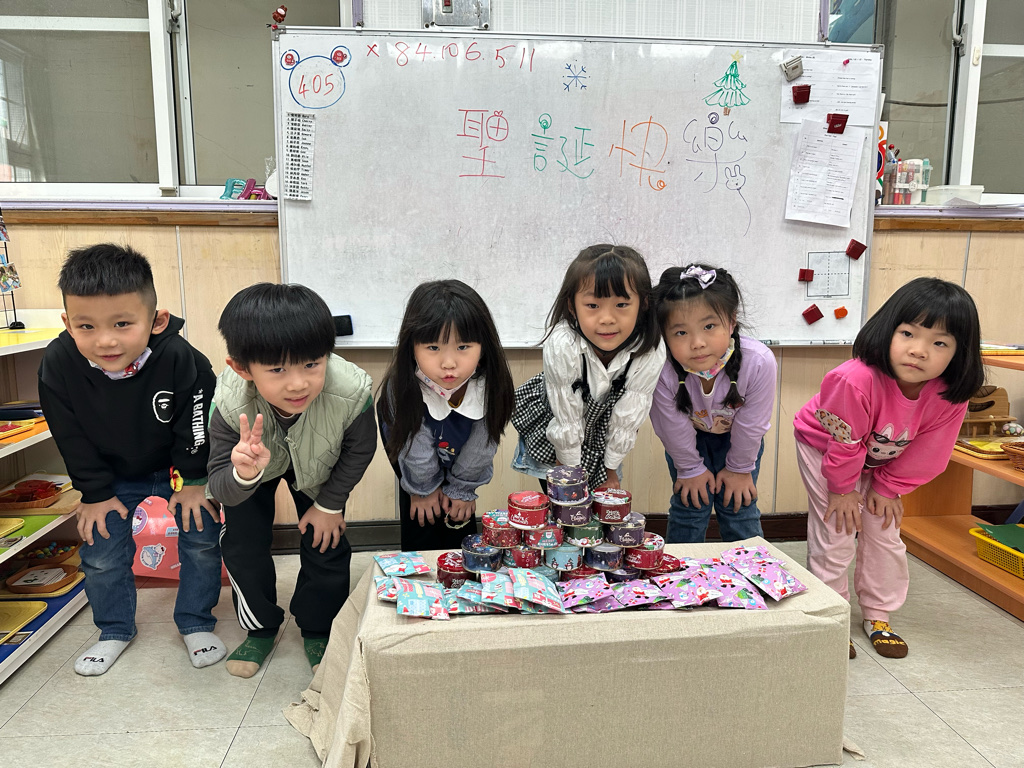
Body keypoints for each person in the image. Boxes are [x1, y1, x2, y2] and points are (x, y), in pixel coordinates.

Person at [39, 243, 223, 676]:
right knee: (102, 554)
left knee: (200, 541)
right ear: (67, 323)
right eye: (86, 326)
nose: (105, 340)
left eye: (122, 324)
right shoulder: (59, 363)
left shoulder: (182, 358)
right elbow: (69, 435)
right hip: (110, 476)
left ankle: (195, 621)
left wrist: (194, 481)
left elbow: (195, 424)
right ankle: (115, 630)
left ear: (156, 320)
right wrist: (94, 492)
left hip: (177, 469)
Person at [794, 277, 984, 659]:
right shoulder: (854, 379)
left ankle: (878, 614)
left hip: (881, 460)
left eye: (940, 343)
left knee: (884, 533)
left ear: (959, 353)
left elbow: (931, 452)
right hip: (826, 449)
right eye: (908, 333)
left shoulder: (950, 394)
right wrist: (843, 490)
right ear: (888, 330)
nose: (919, 351)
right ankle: (831, 617)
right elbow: (844, 443)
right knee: (837, 532)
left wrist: (888, 487)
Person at [207, 283, 376, 678]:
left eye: (311, 364)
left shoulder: (352, 391)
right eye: (278, 370)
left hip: (317, 463)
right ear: (242, 368)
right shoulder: (229, 402)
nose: (298, 383)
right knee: (242, 543)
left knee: (326, 541)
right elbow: (219, 483)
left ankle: (319, 628)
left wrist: (329, 505)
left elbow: (360, 450)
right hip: (254, 465)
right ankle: (260, 628)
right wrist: (243, 473)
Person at [512, 244, 665, 489]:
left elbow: (628, 416)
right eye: (593, 306)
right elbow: (567, 418)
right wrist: (569, 472)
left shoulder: (650, 349)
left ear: (644, 303)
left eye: (621, 305)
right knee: (563, 503)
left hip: (604, 435)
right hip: (558, 428)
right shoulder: (563, 343)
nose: (607, 319)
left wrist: (610, 471)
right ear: (572, 306)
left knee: (602, 501)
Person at [377, 280, 514, 551]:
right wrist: (424, 490)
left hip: (462, 458)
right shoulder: (401, 388)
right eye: (433, 348)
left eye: (463, 347)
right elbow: (413, 447)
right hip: (412, 455)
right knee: (422, 516)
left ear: (483, 347)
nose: (448, 363)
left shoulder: (490, 385)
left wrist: (463, 489)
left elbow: (481, 446)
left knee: (459, 519)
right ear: (412, 346)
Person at [649, 264, 777, 543]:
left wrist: (739, 469)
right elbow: (670, 425)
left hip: (739, 440)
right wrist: (689, 469)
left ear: (731, 321)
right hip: (687, 441)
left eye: (709, 326)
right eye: (680, 333)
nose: (697, 343)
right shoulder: (660, 367)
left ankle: (751, 567)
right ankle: (679, 569)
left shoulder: (758, 361)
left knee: (738, 505)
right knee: (690, 505)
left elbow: (752, 424)